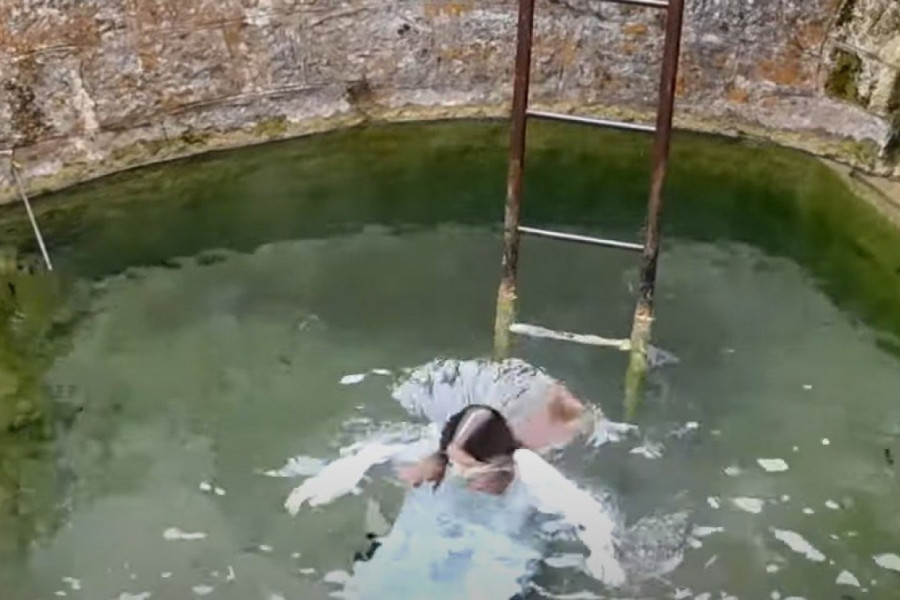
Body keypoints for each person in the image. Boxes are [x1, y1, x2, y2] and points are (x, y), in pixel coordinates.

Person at [283, 358, 627, 599]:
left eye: (469, 466)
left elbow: (586, 511)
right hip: (425, 540)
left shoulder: (528, 470)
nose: (458, 472)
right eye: (454, 461)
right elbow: (374, 452)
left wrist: (603, 555)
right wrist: (328, 480)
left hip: (494, 552)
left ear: (496, 458)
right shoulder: (437, 450)